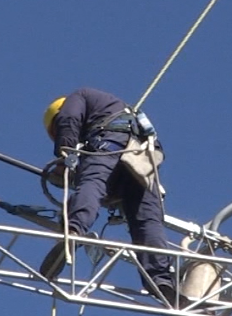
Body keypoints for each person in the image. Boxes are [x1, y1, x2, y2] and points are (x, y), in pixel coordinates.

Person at [39, 87, 176, 303]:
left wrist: (65, 156)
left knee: (92, 182)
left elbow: (69, 119)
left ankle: (74, 230)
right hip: (142, 158)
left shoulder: (78, 97)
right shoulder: (117, 110)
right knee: (147, 219)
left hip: (112, 141)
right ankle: (161, 280)